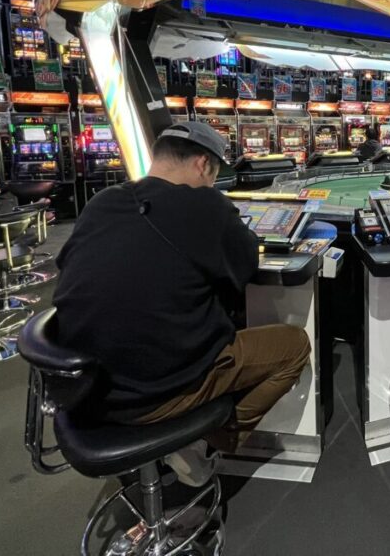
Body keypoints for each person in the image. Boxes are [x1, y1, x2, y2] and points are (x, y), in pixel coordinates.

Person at [53, 121, 310, 483]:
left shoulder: (102, 201)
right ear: (203, 164)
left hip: (82, 387)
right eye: (214, 175)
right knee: (294, 346)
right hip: (152, 394)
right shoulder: (205, 203)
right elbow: (245, 264)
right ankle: (207, 441)